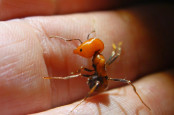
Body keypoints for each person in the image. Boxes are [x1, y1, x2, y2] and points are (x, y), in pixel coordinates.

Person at [0, 0, 173, 114]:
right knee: (85, 71)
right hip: (97, 77)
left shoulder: (98, 61)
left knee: (124, 81)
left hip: (99, 83)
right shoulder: (97, 59)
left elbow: (92, 69)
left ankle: (138, 100)